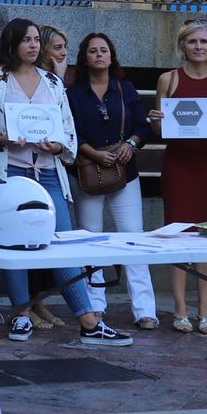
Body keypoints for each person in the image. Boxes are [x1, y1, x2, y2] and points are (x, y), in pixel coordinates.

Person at [0, 18, 133, 346]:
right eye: (26, 40)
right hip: (11, 175)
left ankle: (88, 320)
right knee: (13, 245)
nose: (33, 45)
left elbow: (67, 130)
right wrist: (1, 138)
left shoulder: (51, 81)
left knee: (62, 244)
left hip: (48, 173)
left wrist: (59, 146)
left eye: (36, 40)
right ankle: (21, 314)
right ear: (12, 44)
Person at [149, 18, 207, 334]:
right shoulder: (168, 80)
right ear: (182, 46)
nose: (199, 47)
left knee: (206, 237)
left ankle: (205, 311)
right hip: (178, 166)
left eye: (204, 42)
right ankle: (180, 310)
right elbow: (160, 130)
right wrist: (155, 118)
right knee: (177, 236)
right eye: (193, 42)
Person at [66, 32, 157, 329]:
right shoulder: (72, 92)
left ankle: (145, 309)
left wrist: (130, 144)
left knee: (134, 237)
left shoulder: (125, 88)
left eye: (104, 50)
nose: (99, 55)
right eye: (92, 51)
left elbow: (143, 127)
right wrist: (92, 153)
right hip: (88, 172)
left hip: (124, 171)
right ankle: (96, 305)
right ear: (85, 57)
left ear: (111, 55)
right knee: (90, 238)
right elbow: (68, 130)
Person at [25, 22, 71, 328]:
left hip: (51, 167)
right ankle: (27, 305)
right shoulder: (10, 79)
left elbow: (64, 126)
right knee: (26, 239)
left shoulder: (55, 82)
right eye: (57, 47)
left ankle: (40, 302)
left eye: (66, 47)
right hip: (21, 168)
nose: (63, 53)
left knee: (55, 241)